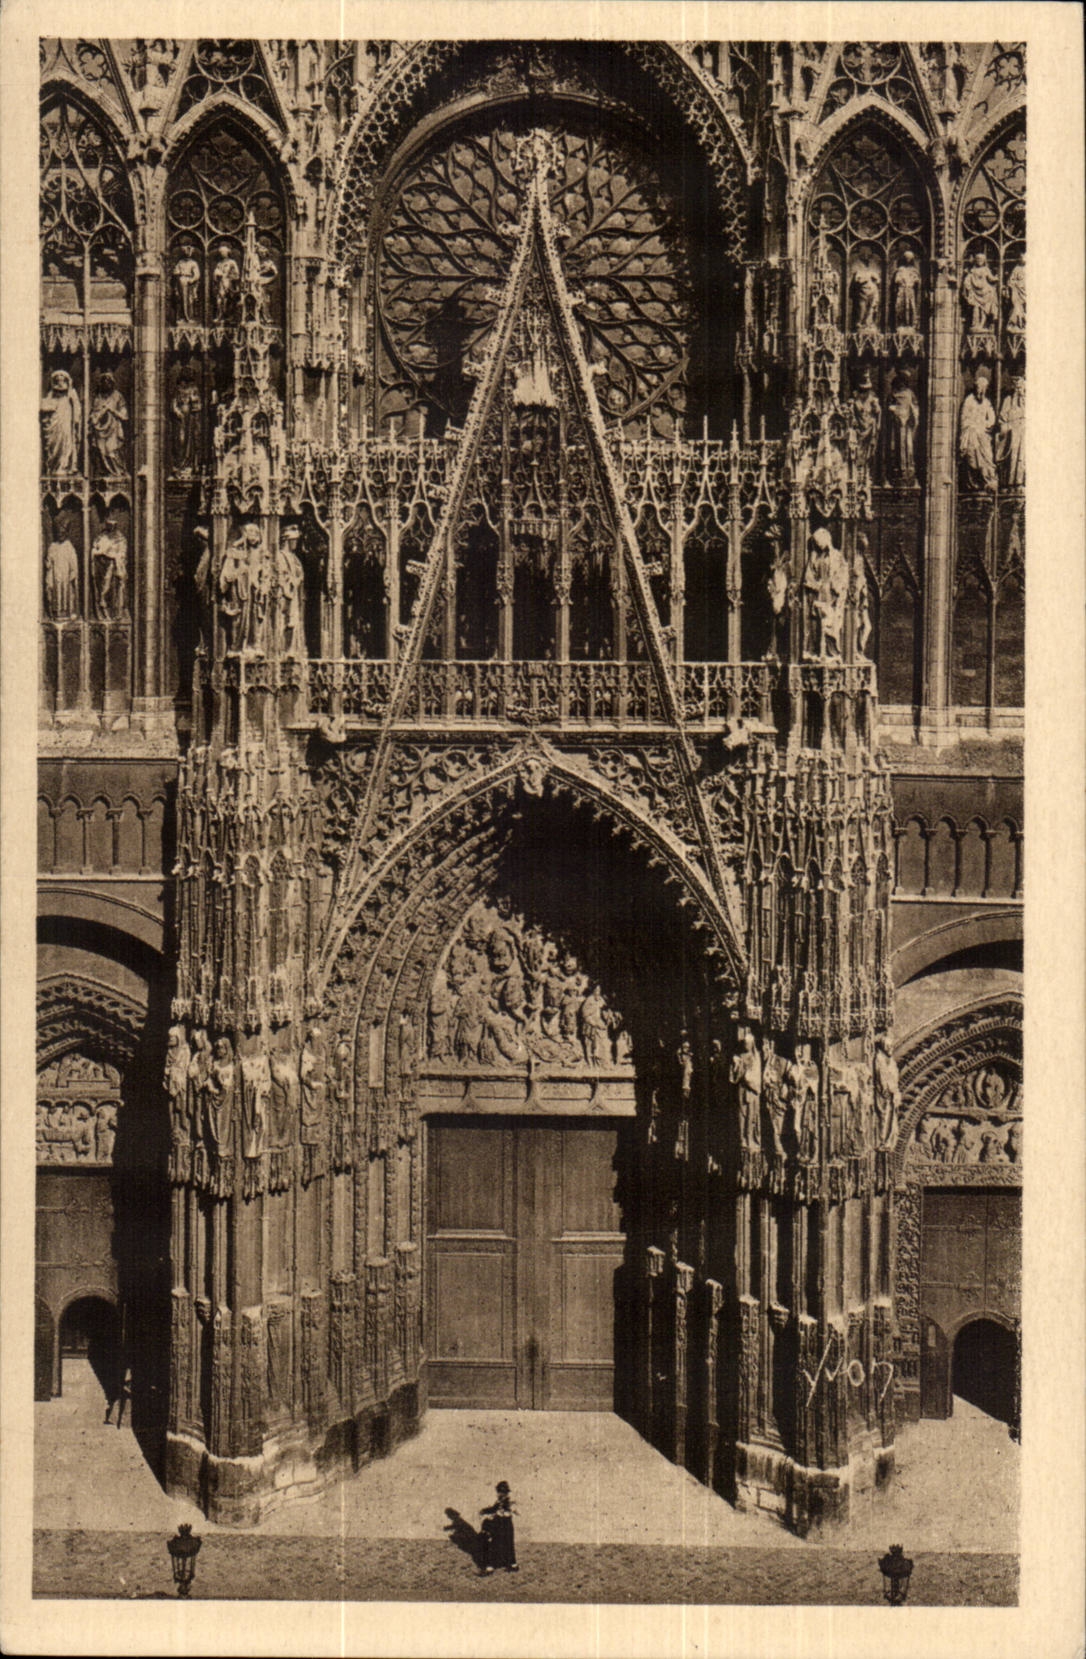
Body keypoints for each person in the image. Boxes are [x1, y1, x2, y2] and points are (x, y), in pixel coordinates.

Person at [959, 367, 997, 491]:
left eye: (984, 388)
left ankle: (987, 482)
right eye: (980, 388)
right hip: (971, 435)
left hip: (983, 436)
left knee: (987, 458)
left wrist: (985, 424)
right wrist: (973, 425)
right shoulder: (969, 401)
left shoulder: (986, 402)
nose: (981, 391)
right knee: (971, 459)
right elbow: (964, 418)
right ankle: (973, 484)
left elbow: (991, 418)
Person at [41, 368, 81, 474]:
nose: (60, 383)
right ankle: (53, 466)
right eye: (57, 380)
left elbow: (77, 408)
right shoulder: (51, 394)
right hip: (54, 422)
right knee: (53, 443)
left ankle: (64, 466)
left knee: (65, 441)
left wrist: (76, 420)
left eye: (62, 380)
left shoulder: (71, 393)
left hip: (66, 421)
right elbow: (44, 406)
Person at [479, 1481, 518, 1574]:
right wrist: (485, 1511)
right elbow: (494, 1509)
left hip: (503, 1524)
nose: (499, 1493)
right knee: (508, 1544)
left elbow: (498, 1510)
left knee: (494, 1544)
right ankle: (513, 1565)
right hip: (506, 1524)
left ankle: (490, 1567)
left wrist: (485, 1512)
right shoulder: (503, 1501)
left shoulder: (507, 1502)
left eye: (500, 1491)